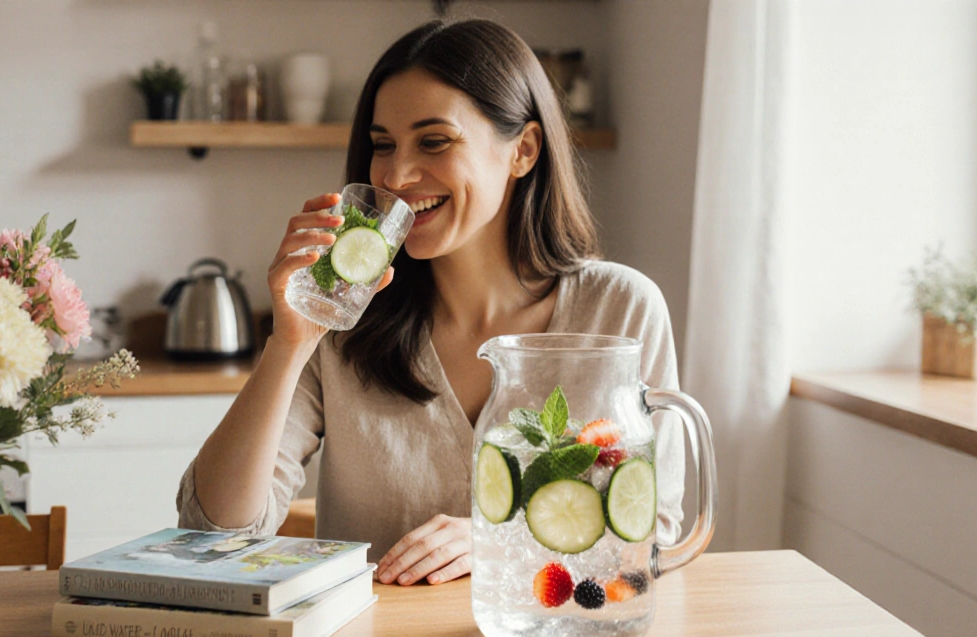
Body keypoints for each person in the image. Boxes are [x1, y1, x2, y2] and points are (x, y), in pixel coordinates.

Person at [177, 18, 683, 587]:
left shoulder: (621, 309)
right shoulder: (343, 321)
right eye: (383, 144)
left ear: (524, 150)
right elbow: (212, 531)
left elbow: (653, 535)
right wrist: (289, 342)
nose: (396, 174)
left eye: (434, 141)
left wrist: (500, 540)